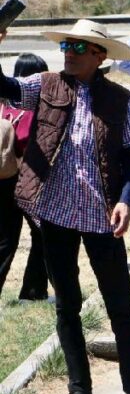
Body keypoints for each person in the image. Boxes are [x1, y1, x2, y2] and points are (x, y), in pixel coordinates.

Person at [0, 20, 130, 394]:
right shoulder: (46, 84)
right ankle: (79, 391)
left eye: (79, 47)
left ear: (99, 56)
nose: (69, 51)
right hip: (53, 213)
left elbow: (129, 154)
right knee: (66, 304)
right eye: (67, 44)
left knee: (120, 304)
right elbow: (5, 88)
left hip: (101, 215)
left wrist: (125, 199)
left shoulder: (119, 98)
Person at [0, 54, 51, 302]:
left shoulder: (3, 103)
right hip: (28, 180)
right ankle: (33, 291)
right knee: (42, 235)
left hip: (3, 178)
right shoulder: (35, 106)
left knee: (5, 240)